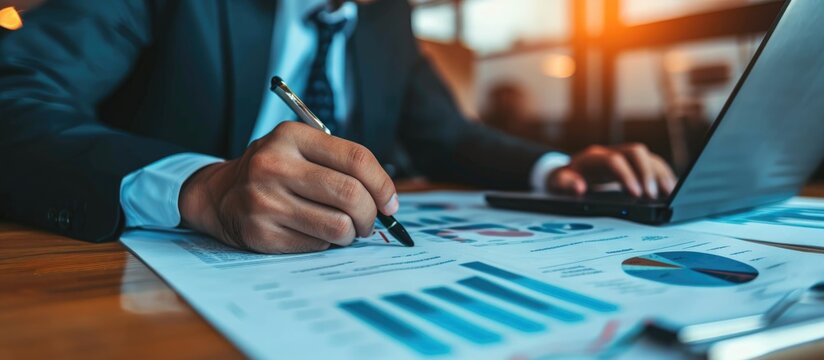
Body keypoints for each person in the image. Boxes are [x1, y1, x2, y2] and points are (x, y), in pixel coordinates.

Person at [0, 0, 675, 254]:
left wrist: (553, 167)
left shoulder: (385, 21)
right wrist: (200, 188)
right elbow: (14, 92)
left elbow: (451, 136)